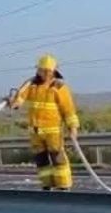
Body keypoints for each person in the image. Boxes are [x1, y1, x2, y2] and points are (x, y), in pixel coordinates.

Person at [5, 54, 80, 191]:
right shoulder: (31, 86)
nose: (44, 74)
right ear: (38, 70)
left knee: (58, 159)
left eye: (47, 71)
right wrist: (12, 103)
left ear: (54, 71)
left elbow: (68, 110)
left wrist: (73, 128)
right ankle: (46, 186)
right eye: (42, 70)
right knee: (41, 161)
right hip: (35, 133)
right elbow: (19, 100)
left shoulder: (59, 87)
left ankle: (63, 186)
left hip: (53, 132)